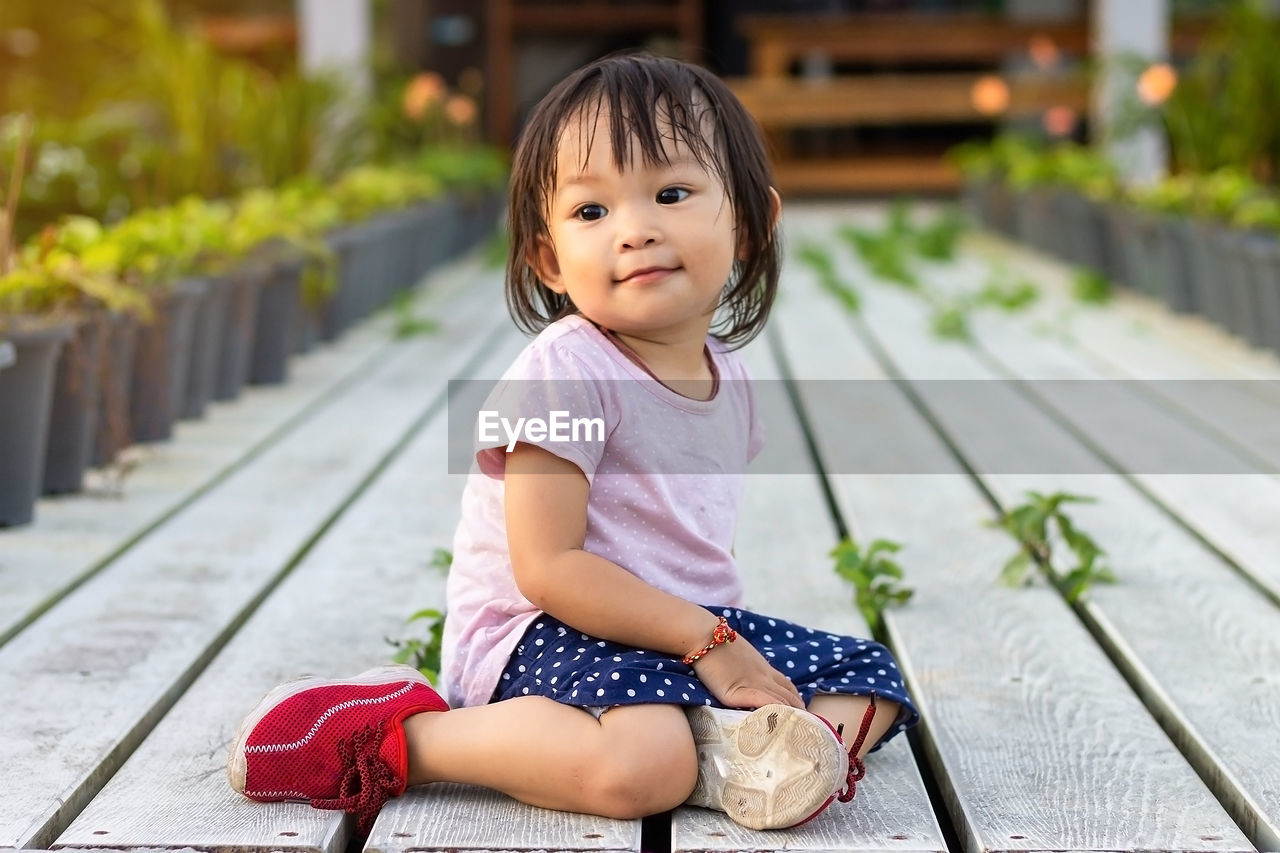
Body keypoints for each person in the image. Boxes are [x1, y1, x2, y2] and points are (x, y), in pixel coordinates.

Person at [226, 52, 919, 836]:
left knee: (872, 677)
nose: (637, 228)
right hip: (545, 629)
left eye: (671, 192)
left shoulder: (729, 374)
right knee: (641, 770)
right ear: (550, 259)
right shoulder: (567, 369)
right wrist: (708, 643)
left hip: (683, 627)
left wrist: (710, 643)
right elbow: (547, 567)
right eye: (592, 212)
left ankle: (752, 753)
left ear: (751, 225)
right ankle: (398, 734)